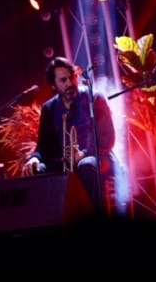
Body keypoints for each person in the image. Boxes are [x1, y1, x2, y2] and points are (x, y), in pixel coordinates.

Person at [22, 56, 117, 212]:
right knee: (38, 170)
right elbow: (43, 146)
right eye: (63, 80)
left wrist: (83, 154)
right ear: (53, 85)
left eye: (72, 77)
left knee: (85, 165)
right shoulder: (49, 109)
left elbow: (107, 139)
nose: (69, 83)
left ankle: (98, 219)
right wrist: (34, 158)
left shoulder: (94, 98)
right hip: (64, 162)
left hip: (98, 157)